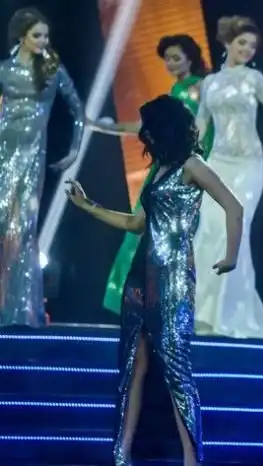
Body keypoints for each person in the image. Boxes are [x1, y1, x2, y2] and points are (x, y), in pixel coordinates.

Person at [66, 95, 243, 466]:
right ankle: (122, 453)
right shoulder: (160, 168)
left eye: (147, 126)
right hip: (140, 275)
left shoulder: (193, 165)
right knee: (132, 365)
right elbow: (135, 224)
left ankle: (192, 458)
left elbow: (233, 205)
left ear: (163, 127)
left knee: (177, 370)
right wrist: (87, 206)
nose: (143, 134)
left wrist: (231, 255)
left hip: (173, 277)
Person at [90, 34, 214, 314]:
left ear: (191, 58)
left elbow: (202, 129)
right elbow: (148, 127)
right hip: (168, 165)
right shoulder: (177, 90)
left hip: (181, 170)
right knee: (148, 230)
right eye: (167, 59)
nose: (171, 63)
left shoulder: (200, 88)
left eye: (176, 58)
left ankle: (160, 302)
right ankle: (148, 300)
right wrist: (109, 128)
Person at [193, 15, 263, 338]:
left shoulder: (254, 78)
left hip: (248, 164)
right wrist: (191, 158)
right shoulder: (209, 82)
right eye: (242, 43)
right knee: (209, 229)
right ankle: (203, 313)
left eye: (252, 46)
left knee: (234, 229)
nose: (248, 49)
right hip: (217, 162)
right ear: (227, 43)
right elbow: (201, 123)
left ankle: (231, 314)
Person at [0, 7, 84, 327]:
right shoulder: (4, 70)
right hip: (3, 153)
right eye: (37, 35)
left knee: (22, 230)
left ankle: (20, 310)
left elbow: (77, 110)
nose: (43, 41)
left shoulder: (52, 70)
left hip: (32, 156)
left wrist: (74, 150)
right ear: (22, 36)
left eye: (46, 36)